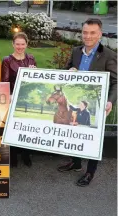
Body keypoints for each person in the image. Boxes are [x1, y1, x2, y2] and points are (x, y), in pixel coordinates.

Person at [57, 18, 117, 187]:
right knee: (75, 132)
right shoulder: (76, 51)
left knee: (93, 139)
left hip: (96, 105)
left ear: (100, 34)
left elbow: (116, 82)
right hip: (76, 102)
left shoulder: (109, 55)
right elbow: (64, 72)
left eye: (92, 33)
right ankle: (75, 163)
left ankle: (90, 171)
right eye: (85, 32)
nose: (88, 36)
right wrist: (69, 71)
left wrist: (110, 101)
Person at [1, 32, 36, 168]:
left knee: (27, 128)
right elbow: (4, 80)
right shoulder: (7, 60)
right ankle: (13, 155)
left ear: (26, 44)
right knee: (13, 128)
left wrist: (35, 72)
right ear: (13, 44)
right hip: (13, 99)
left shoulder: (31, 59)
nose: (20, 47)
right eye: (17, 44)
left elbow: (36, 80)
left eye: (22, 44)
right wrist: (9, 95)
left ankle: (26, 154)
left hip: (27, 98)